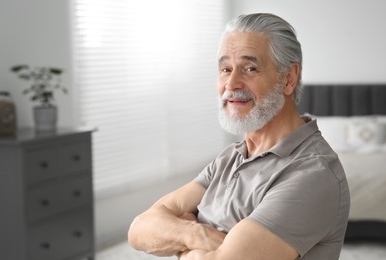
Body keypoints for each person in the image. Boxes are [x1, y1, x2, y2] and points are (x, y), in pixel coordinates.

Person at [128, 13, 350, 260]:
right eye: (225, 69)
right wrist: (196, 234)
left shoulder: (312, 173)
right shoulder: (231, 158)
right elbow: (139, 230)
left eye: (250, 68)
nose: (231, 83)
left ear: (288, 78)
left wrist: (178, 237)